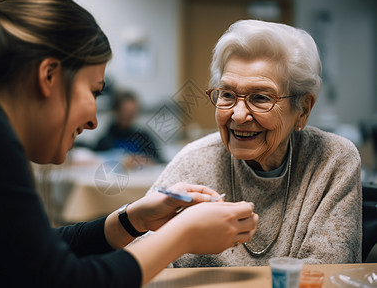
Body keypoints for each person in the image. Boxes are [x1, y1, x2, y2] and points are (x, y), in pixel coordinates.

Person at [0, 0, 258, 287]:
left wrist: (133, 219)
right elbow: (61, 279)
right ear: (49, 76)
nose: (93, 120)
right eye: (93, 92)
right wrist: (182, 234)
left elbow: (29, 252)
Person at [148, 19, 362, 267]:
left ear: (303, 109)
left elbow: (326, 272)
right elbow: (135, 260)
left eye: (260, 98)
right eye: (227, 94)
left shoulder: (333, 160)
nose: (238, 115)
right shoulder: (195, 160)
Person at [95, 90, 165, 165]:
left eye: (132, 113)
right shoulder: (105, 141)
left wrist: (146, 161)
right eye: (125, 112)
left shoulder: (143, 138)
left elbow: (160, 161)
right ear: (116, 111)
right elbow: (96, 161)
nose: (129, 116)